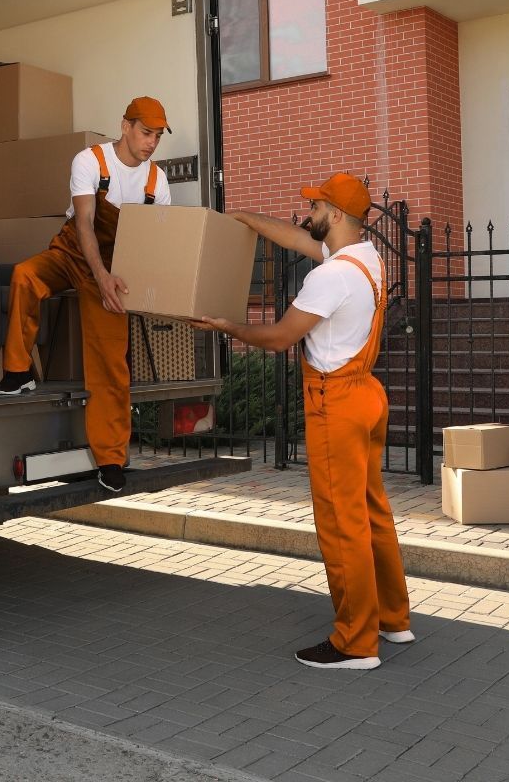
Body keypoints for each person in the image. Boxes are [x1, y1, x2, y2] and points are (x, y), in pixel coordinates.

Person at [192, 173, 412, 669]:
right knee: (372, 513)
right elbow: (296, 238)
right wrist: (245, 217)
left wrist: (226, 326)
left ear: (335, 214)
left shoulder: (329, 277)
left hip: (335, 403)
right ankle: (393, 619)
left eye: (315, 206)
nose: (308, 213)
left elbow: (278, 338)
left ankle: (355, 643)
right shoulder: (367, 258)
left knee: (341, 523)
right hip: (367, 394)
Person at [0, 97, 173, 493]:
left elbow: (153, 242)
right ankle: (18, 372)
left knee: (110, 361)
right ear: (125, 126)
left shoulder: (156, 182)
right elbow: (85, 224)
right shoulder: (90, 161)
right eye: (146, 132)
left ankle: (110, 458)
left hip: (115, 268)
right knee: (25, 275)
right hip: (73, 253)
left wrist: (125, 284)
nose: (151, 142)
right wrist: (99, 274)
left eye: (158, 136)